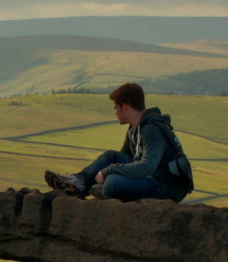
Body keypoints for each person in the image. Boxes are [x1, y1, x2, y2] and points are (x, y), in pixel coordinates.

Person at [44, 82, 193, 202]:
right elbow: (121, 159)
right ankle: (78, 183)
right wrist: (108, 169)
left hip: (164, 185)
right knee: (111, 157)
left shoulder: (151, 129)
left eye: (116, 107)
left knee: (113, 182)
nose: (115, 112)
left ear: (125, 107)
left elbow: (147, 167)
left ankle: (104, 190)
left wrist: (108, 171)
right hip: (150, 177)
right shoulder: (135, 129)